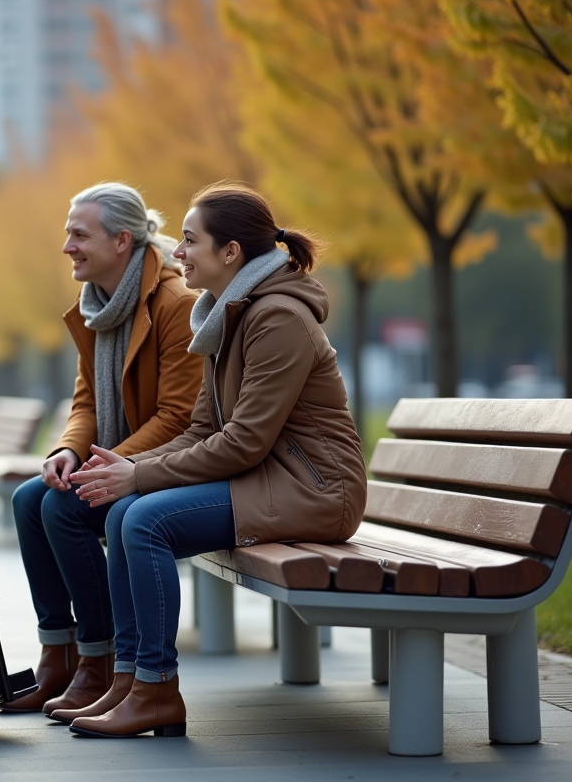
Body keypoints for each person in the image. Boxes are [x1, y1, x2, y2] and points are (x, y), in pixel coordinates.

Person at [65, 181, 368, 738]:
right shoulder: (224, 315)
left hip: (316, 490)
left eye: (189, 241)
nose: (176, 252)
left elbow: (245, 441)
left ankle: (157, 688)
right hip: (269, 481)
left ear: (231, 253)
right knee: (120, 511)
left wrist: (141, 473)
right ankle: (131, 680)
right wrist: (128, 473)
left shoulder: (277, 318)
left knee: (144, 518)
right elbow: (204, 429)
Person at [0, 183, 203, 715]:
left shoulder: (176, 307)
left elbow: (179, 418)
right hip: (125, 459)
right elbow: (87, 399)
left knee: (63, 507)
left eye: (78, 234)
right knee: (29, 499)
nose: (67, 245)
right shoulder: (96, 307)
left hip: (169, 465)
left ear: (121, 240)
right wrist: (70, 450)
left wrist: (107, 465)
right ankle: (59, 656)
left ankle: (98, 659)